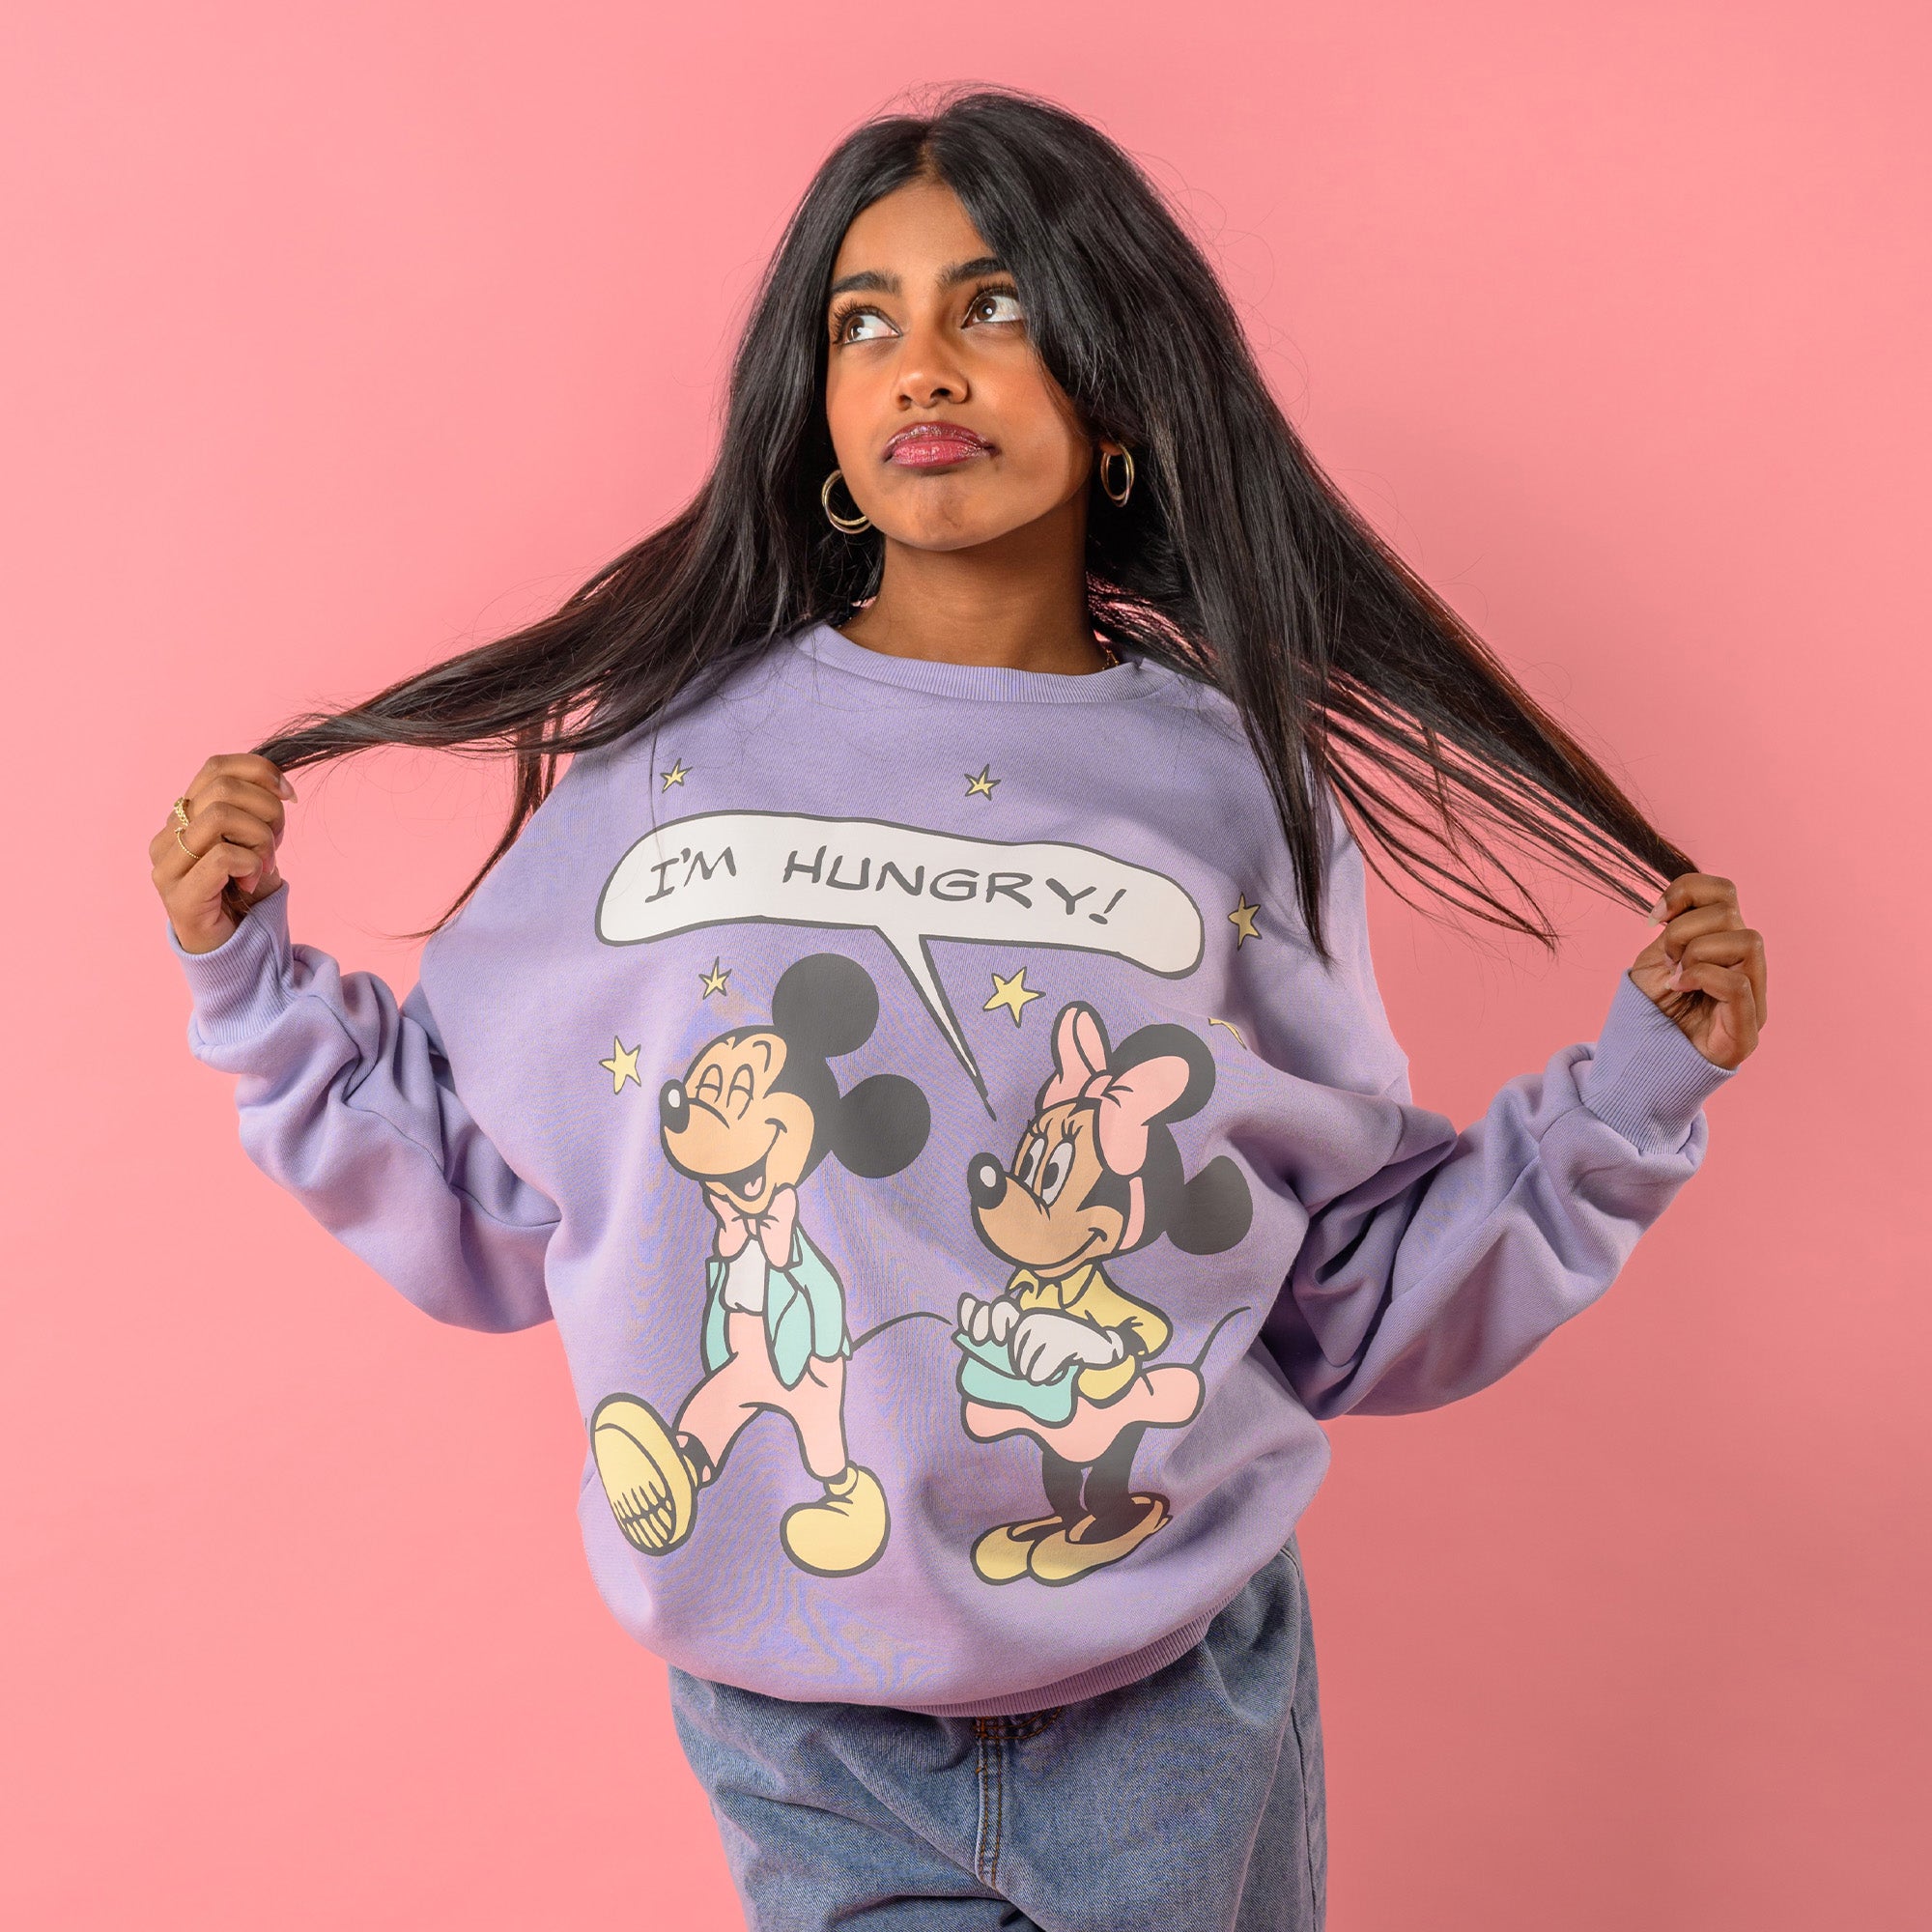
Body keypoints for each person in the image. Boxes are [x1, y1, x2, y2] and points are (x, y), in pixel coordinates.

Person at [149, 86, 1766, 1932]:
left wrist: (1631, 1099)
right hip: (803, 1734)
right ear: (821, 414)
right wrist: (249, 979)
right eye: (866, 321)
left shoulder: (1238, 788)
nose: (923, 362)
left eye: (992, 306)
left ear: (1117, 390)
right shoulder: (666, 765)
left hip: (1170, 1713)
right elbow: (488, 1194)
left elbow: (1337, 1289)